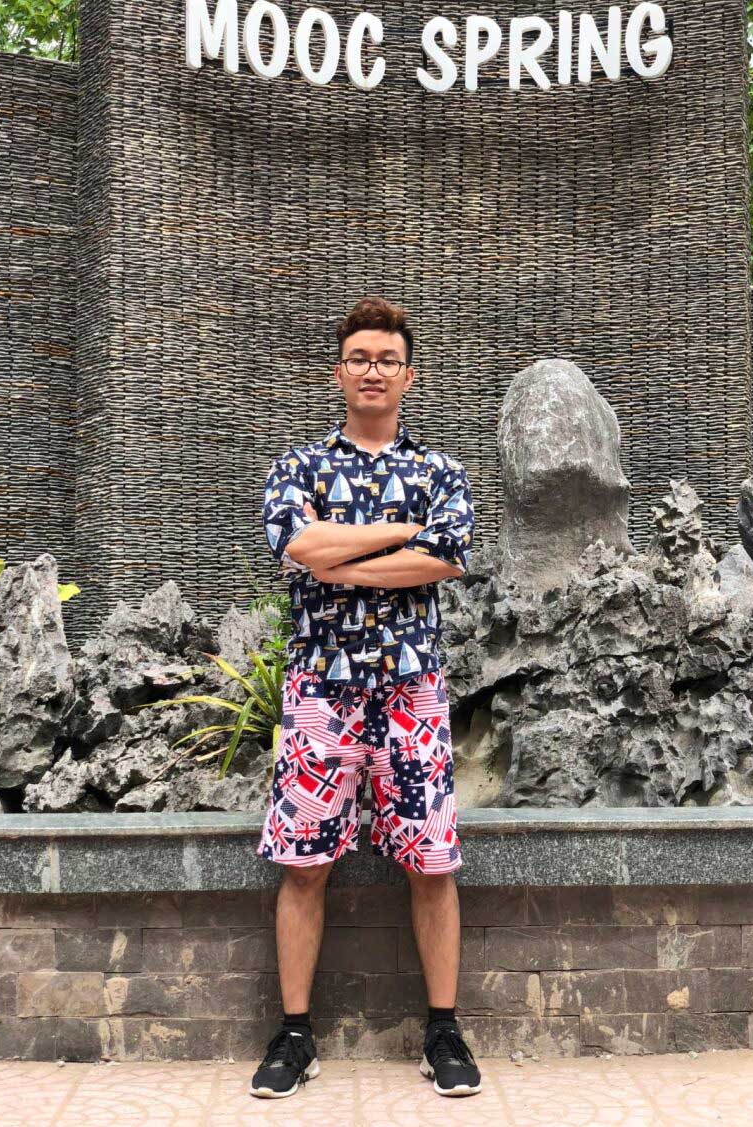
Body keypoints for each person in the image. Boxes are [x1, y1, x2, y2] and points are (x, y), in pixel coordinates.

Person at [250, 295, 481, 1099]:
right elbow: (298, 542)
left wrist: (339, 562)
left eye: (386, 359)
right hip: (321, 689)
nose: (372, 370)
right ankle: (293, 1033)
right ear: (338, 372)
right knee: (304, 862)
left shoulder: (441, 471)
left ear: (408, 375)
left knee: (431, 861)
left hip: (411, 691)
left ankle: (443, 1029)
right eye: (359, 358)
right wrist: (401, 531)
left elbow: (444, 558)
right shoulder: (298, 467)